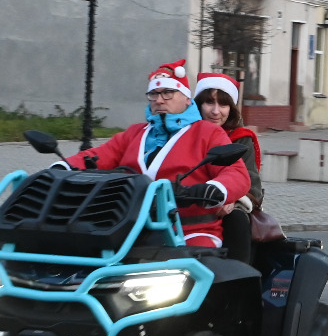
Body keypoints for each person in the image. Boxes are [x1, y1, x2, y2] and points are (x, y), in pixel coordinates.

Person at [55, 60, 251, 248]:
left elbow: (236, 172)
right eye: (153, 94)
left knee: (195, 264)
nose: (159, 100)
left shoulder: (207, 133)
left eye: (167, 93)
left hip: (189, 231)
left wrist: (214, 189)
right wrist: (62, 167)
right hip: (128, 228)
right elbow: (98, 155)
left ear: (186, 98)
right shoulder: (135, 133)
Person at [192, 72, 264, 263]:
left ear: (231, 109)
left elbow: (251, 183)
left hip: (226, 204)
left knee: (236, 220)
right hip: (188, 200)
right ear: (198, 104)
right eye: (209, 102)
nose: (216, 111)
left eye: (223, 105)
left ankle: (239, 276)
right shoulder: (186, 132)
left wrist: (233, 198)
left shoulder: (241, 137)